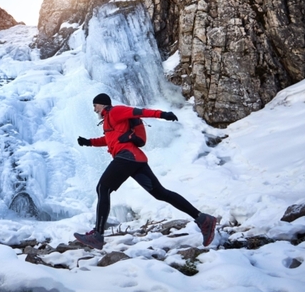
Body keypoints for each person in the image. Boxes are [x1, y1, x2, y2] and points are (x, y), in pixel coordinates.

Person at [74, 93, 217, 250]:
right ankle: (203, 219)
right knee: (160, 193)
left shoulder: (115, 112)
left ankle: (98, 235)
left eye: (95, 106)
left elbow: (138, 112)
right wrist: (89, 142)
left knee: (103, 188)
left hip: (126, 157)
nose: (94, 109)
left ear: (101, 104)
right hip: (135, 159)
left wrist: (162, 114)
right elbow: (109, 140)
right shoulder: (109, 121)